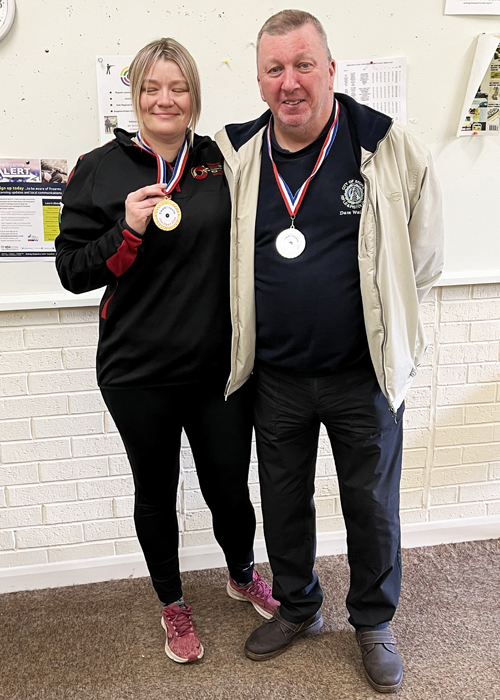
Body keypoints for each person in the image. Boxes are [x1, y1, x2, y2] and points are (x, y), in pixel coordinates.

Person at [215, 10, 443, 693]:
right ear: (259, 81)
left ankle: (373, 620)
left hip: (360, 373)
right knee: (282, 501)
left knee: (370, 503)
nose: (290, 82)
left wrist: (386, 328)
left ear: (331, 69)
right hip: (276, 377)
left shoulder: (385, 144)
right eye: (275, 68)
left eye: (303, 64)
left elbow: (423, 258)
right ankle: (299, 606)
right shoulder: (237, 155)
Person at [55, 37, 277, 666]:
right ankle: (173, 603)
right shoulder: (99, 167)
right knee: (154, 491)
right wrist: (125, 228)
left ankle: (240, 572)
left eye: (178, 87)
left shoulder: (221, 160)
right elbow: (71, 269)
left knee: (230, 489)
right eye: (152, 86)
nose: (165, 98)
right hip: (136, 371)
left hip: (216, 368)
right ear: (136, 95)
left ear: (194, 98)